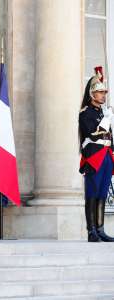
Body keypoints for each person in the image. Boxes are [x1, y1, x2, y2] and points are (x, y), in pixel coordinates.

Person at [79, 66, 114, 242]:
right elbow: (91, 133)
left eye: (104, 92)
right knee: (92, 193)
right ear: (92, 94)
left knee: (102, 193)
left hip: (106, 155)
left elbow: (110, 137)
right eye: (100, 92)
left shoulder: (103, 112)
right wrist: (107, 119)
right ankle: (91, 230)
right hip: (94, 156)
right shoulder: (86, 114)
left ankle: (100, 229)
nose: (103, 95)